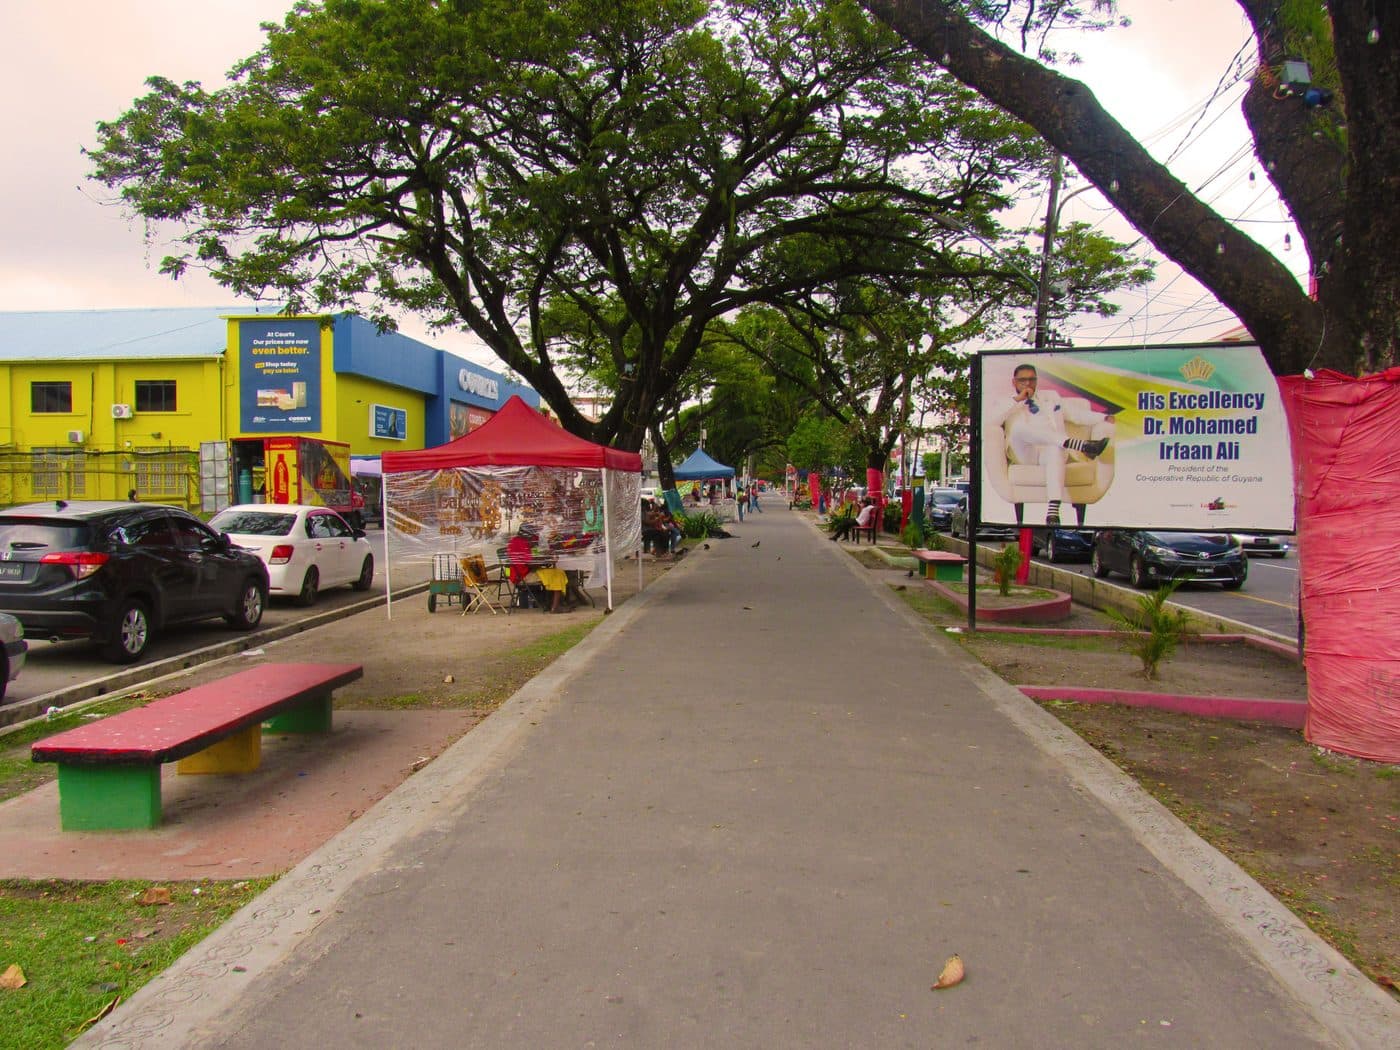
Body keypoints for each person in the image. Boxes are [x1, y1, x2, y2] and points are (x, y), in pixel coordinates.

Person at [986, 363, 1114, 527]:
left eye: (1032, 380)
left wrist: (1104, 418)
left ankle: (1053, 510)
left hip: (1050, 451)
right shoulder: (1007, 402)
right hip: (1025, 452)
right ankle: (1081, 445)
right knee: (1019, 429)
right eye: (1023, 380)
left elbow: (1076, 415)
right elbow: (991, 422)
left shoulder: (1051, 397)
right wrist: (1018, 400)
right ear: (1014, 382)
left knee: (1055, 447)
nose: (1028, 384)